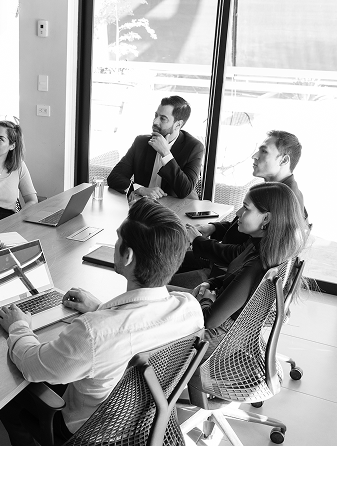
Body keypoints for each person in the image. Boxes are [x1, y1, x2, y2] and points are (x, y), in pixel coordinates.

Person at [0, 198, 205, 445]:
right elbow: (135, 327)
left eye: (118, 238)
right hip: (143, 423)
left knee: (8, 395)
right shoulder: (190, 308)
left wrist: (18, 325)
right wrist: (100, 309)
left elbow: (31, 365)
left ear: (128, 256)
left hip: (89, 435)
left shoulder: (93, 332)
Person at [171, 181, 309, 357]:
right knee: (159, 294)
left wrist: (206, 300)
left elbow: (211, 320)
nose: (238, 213)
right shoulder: (263, 246)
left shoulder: (257, 264)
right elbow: (234, 277)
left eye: (246, 208)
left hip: (214, 339)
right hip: (223, 322)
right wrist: (211, 283)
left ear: (266, 219)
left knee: (152, 302)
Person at [172, 130, 308, 287]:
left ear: (284, 160)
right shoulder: (277, 192)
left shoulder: (285, 203)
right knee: (163, 258)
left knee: (156, 275)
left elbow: (241, 255)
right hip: (219, 260)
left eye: (264, 151)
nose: (254, 156)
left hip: (223, 276)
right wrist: (213, 228)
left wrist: (198, 241)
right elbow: (242, 228)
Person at [106, 95, 204, 199]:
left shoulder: (194, 148)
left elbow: (184, 190)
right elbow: (114, 177)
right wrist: (141, 189)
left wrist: (166, 153)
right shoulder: (141, 142)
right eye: (156, 115)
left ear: (178, 125)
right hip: (142, 205)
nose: (155, 121)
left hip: (175, 207)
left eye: (163, 119)